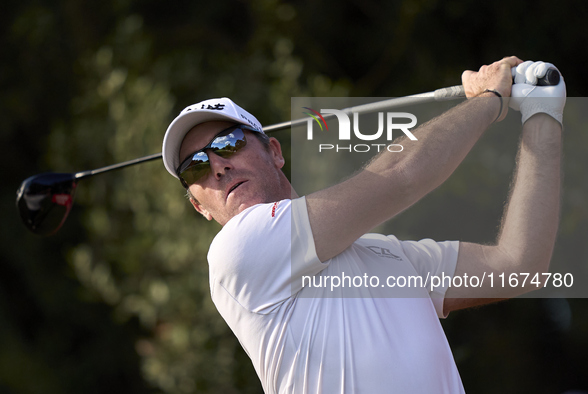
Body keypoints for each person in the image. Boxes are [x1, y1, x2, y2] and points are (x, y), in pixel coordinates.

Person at [161, 57, 566, 393]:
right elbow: (400, 175)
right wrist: (491, 99)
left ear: (274, 150)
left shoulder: (385, 254)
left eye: (228, 143)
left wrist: (543, 114)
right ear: (200, 208)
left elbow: (518, 266)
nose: (217, 166)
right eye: (195, 166)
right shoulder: (237, 252)